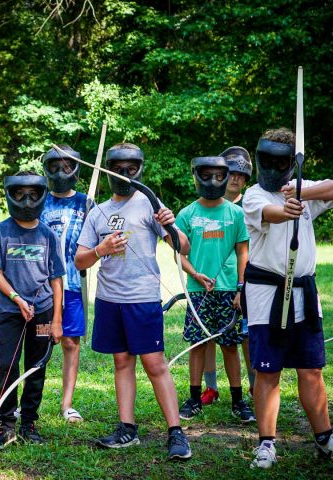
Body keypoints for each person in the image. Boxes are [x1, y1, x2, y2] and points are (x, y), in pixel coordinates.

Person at [242, 128, 333, 469]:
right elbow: (272, 214)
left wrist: (299, 190)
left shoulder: (302, 188)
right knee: (268, 372)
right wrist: (289, 205)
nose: (273, 166)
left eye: (281, 160)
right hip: (267, 296)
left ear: (291, 163)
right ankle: (266, 444)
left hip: (304, 295)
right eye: (268, 159)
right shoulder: (252, 195)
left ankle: (325, 438)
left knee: (311, 370)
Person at [73, 143, 193, 461]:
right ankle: (127, 428)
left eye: (131, 167)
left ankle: (176, 433)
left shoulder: (148, 204)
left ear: (140, 169)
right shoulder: (98, 211)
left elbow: (183, 248)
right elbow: (80, 261)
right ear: (109, 169)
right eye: (118, 167)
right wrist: (101, 249)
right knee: (122, 362)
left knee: (155, 364)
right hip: (110, 299)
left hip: (142, 299)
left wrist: (169, 224)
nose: (124, 174)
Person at [0, 172, 64, 448]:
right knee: (8, 365)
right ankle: (7, 425)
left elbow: (56, 279)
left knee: (36, 367)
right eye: (20, 194)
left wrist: (57, 320)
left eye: (33, 194)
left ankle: (29, 423)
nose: (26, 200)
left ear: (42, 195)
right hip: (10, 312)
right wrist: (16, 298)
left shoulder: (48, 235)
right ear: (10, 195)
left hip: (43, 312)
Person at [175, 156, 253, 423]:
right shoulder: (187, 214)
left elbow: (243, 252)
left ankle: (238, 400)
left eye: (218, 175)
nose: (212, 181)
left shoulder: (236, 213)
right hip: (198, 292)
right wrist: (195, 273)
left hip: (229, 290)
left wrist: (240, 289)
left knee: (230, 346)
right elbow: (179, 254)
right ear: (196, 176)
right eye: (206, 175)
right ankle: (194, 398)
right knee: (198, 344)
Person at [200, 146, 256, 404]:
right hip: (210, 282)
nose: (235, 179)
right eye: (231, 173)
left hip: (244, 279)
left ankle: (255, 386)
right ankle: (211, 387)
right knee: (210, 335)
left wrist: (242, 284)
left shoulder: (252, 204)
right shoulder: (208, 202)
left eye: (240, 175)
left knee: (244, 335)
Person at [39, 145, 90, 423]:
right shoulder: (38, 200)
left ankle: (66, 404)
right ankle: (30, 400)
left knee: (71, 342)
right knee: (39, 342)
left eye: (67, 166)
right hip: (40, 286)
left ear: (77, 168)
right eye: (54, 165)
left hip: (71, 283)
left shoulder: (86, 203)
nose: (60, 172)